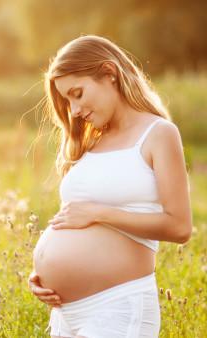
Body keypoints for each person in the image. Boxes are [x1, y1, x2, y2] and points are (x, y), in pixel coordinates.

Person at [28, 35, 193, 337]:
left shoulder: (158, 134)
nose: (74, 109)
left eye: (77, 93)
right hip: (66, 313)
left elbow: (180, 227)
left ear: (109, 73)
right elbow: (75, 218)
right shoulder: (91, 143)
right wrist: (43, 274)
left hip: (117, 307)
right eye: (67, 100)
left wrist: (99, 213)